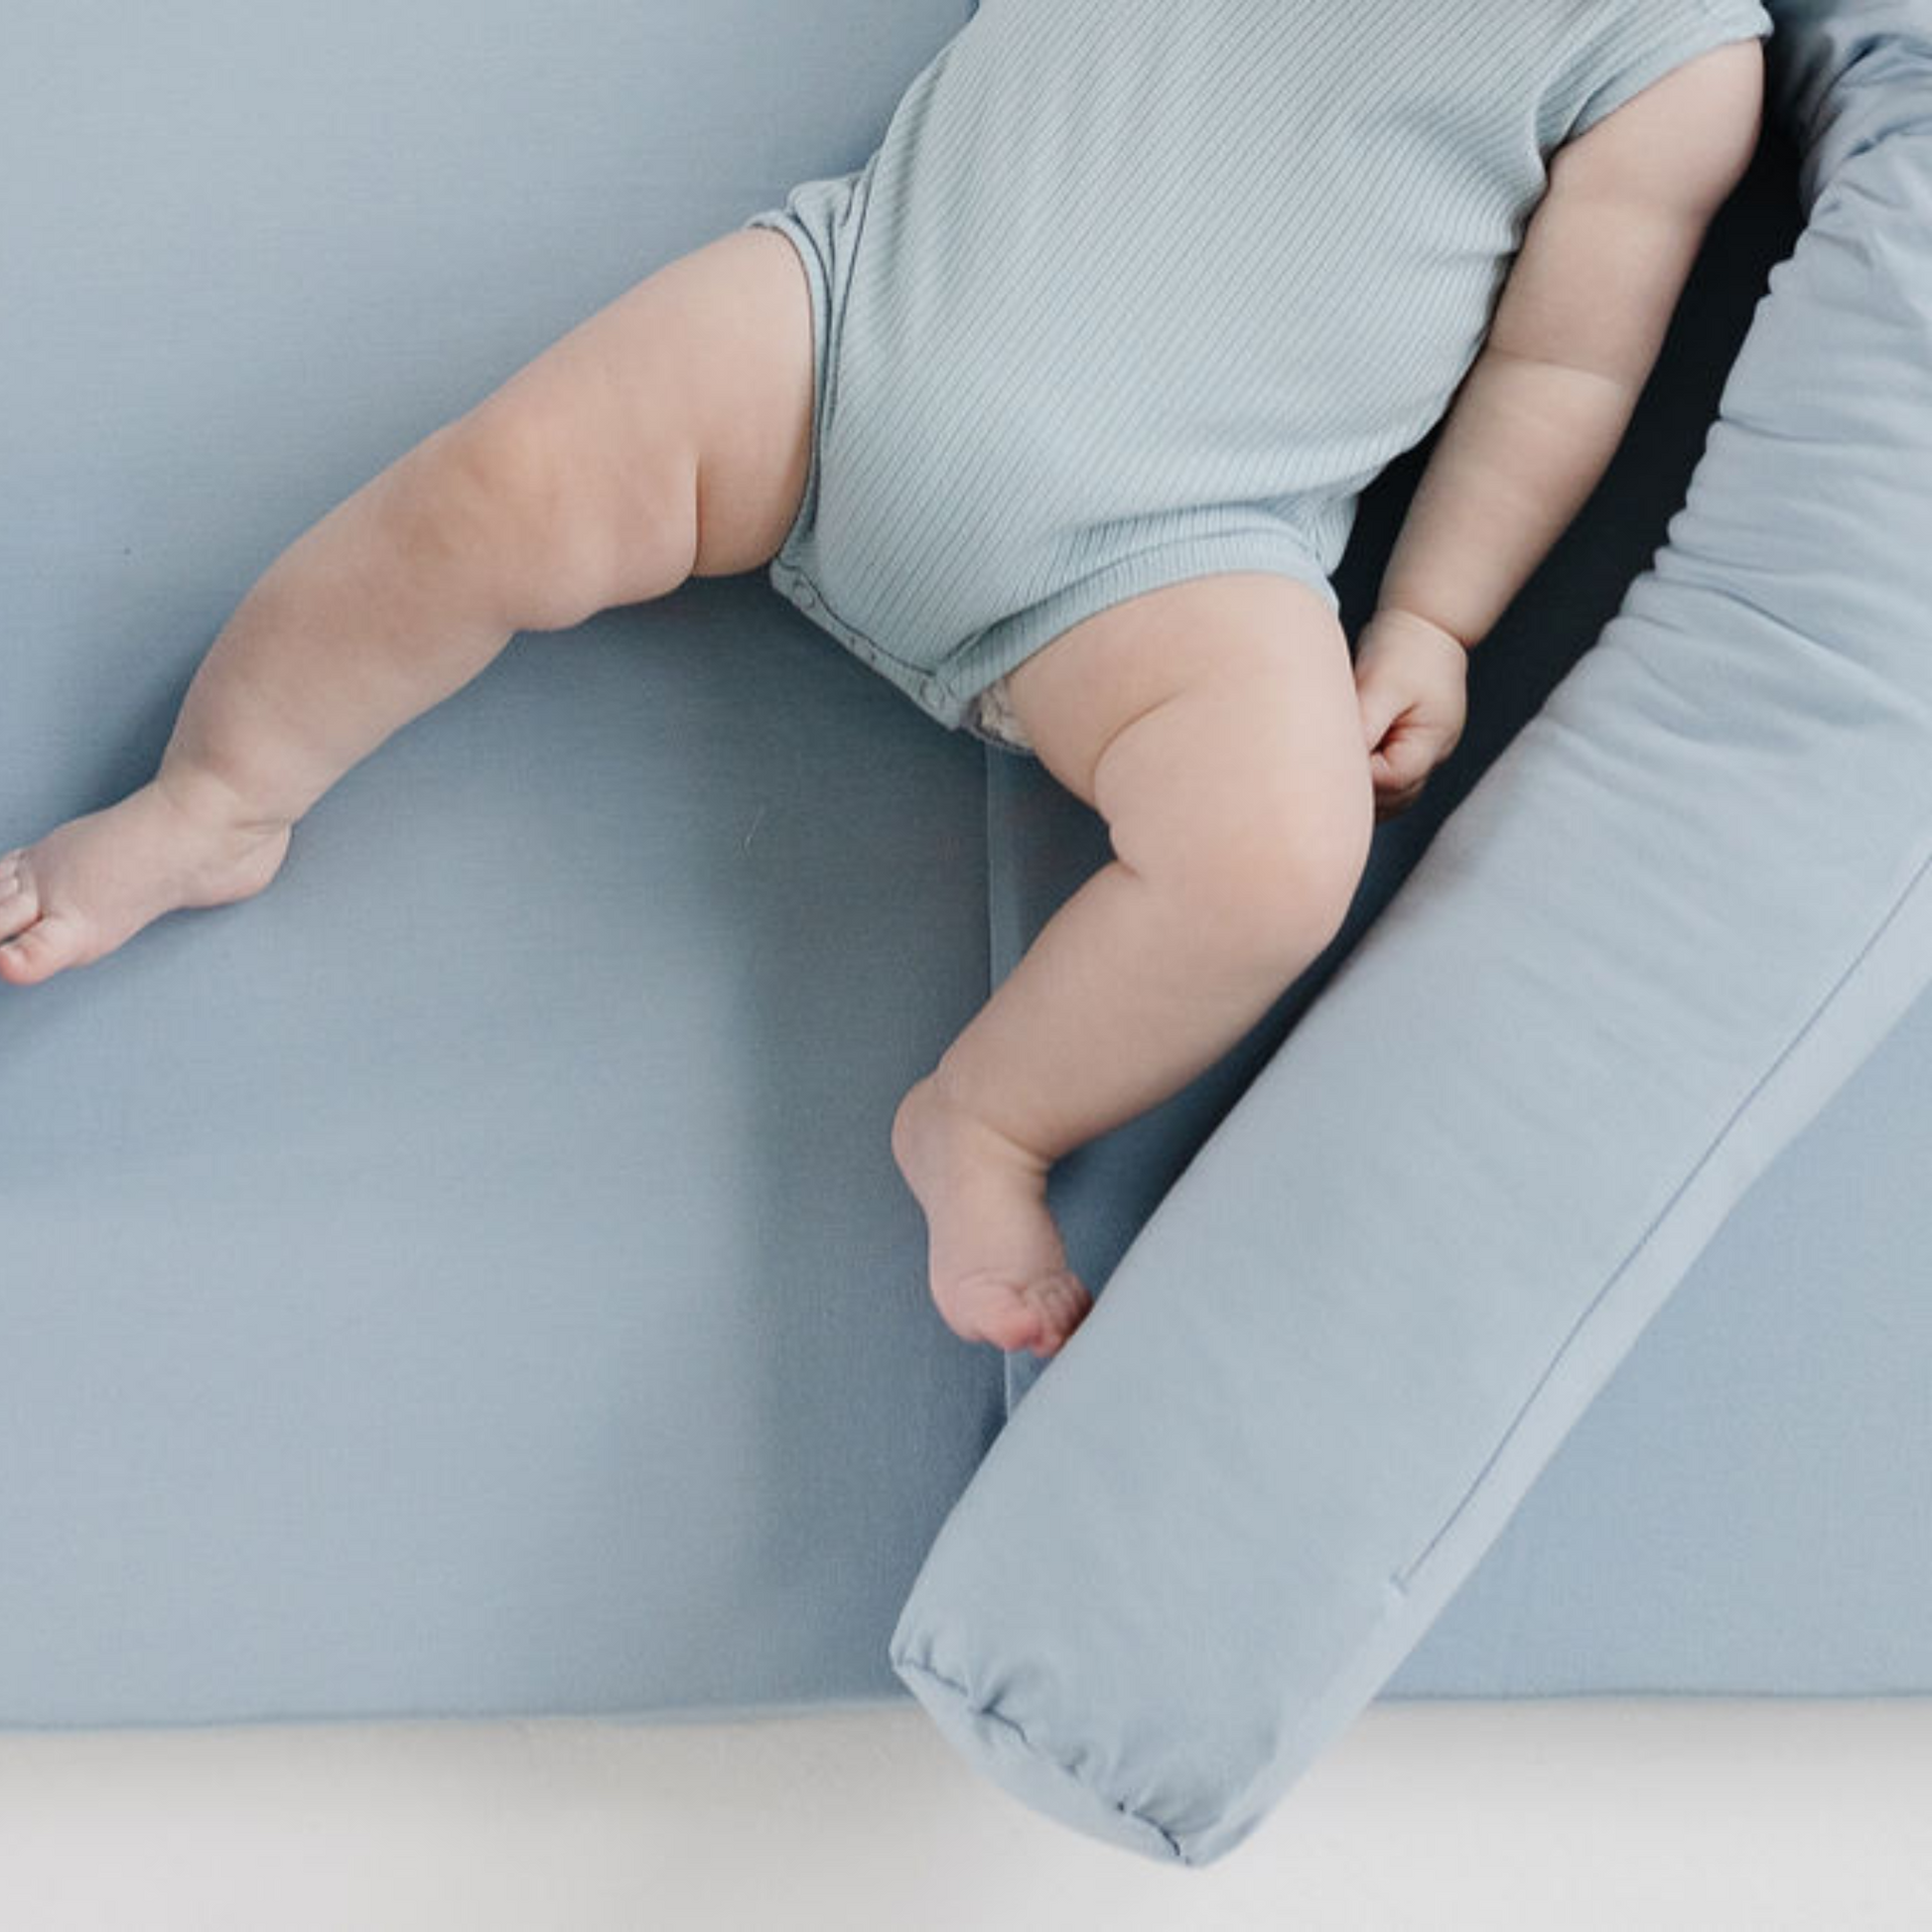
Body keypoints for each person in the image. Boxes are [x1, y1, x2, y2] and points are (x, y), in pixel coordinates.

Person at [0, 1, 1765, 1358]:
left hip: (1173, 548)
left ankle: (984, 1118)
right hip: (859, 318)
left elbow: (1559, 369)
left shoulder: (1665, 58)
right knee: (499, 487)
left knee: (1274, 854)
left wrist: (1433, 615)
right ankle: (218, 795)